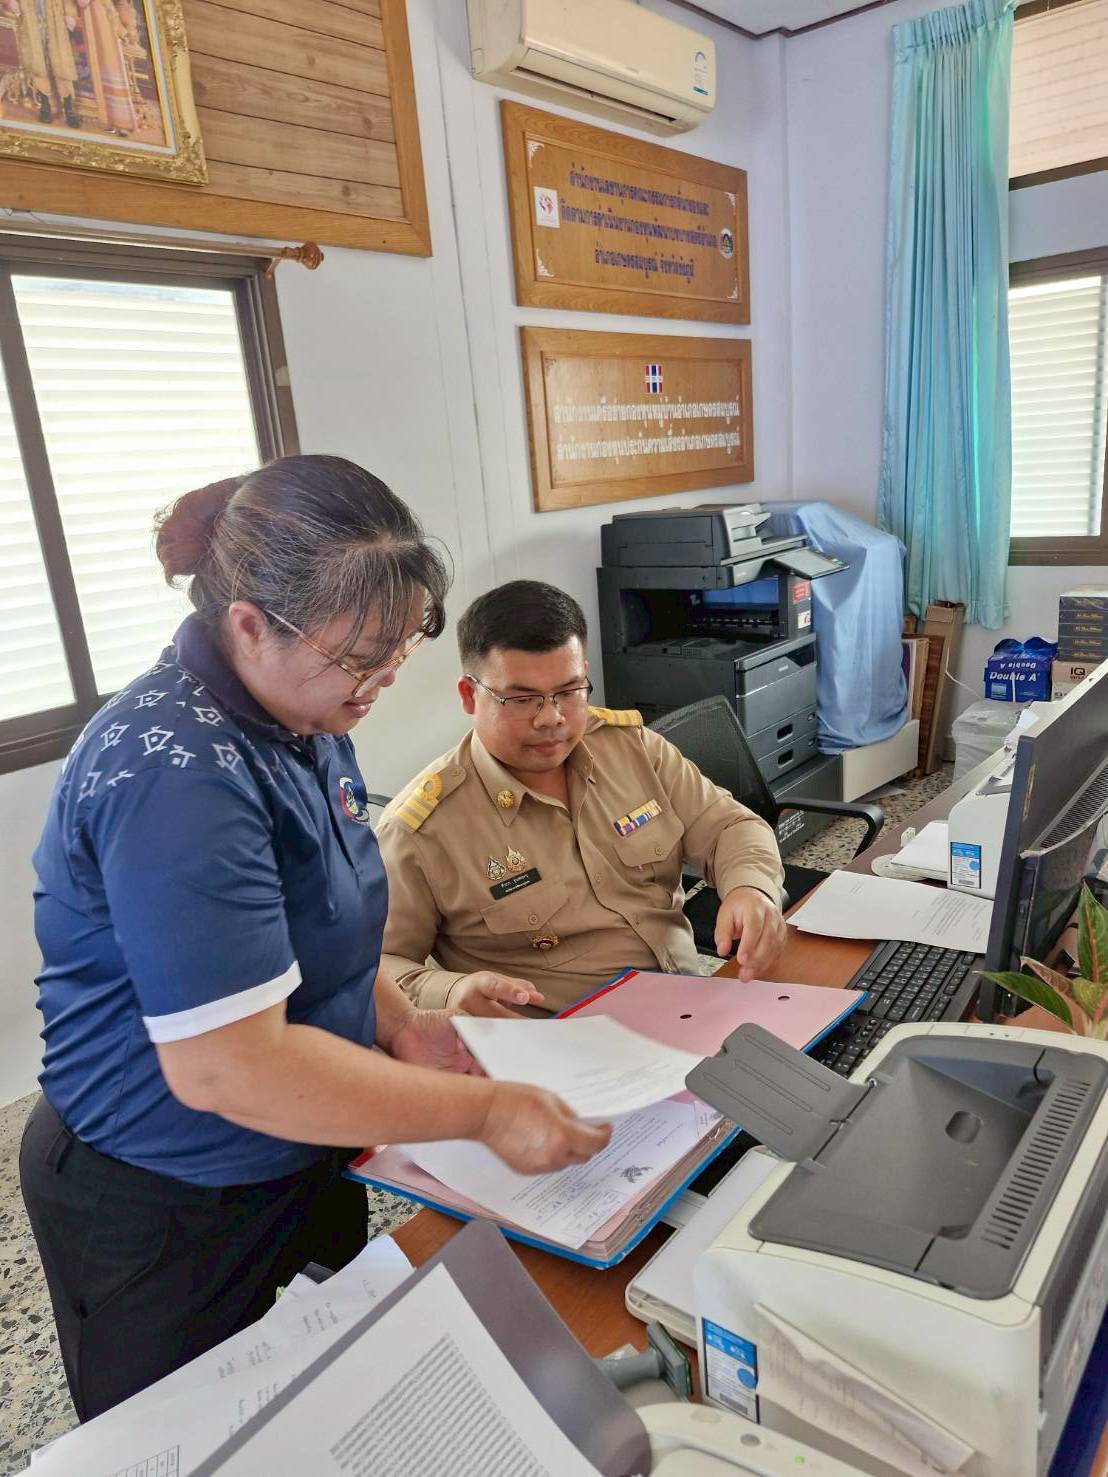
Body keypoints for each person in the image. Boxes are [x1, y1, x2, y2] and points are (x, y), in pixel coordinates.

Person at [20, 459, 608, 1422]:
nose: (381, 681)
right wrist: (487, 1112)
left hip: (302, 1145)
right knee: (200, 1437)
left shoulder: (304, 711)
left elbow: (329, 922)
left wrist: (404, 1028)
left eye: (397, 651)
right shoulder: (175, 775)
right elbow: (226, 1069)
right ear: (249, 623)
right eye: (360, 657)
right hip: (165, 1194)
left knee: (323, 1412)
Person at [376, 580, 787, 1018]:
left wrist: (750, 887)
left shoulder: (632, 748)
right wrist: (450, 991)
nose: (550, 718)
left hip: (689, 1004)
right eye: (521, 699)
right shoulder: (420, 829)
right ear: (469, 695)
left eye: (569, 691)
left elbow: (729, 826)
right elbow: (376, 966)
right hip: (560, 1044)